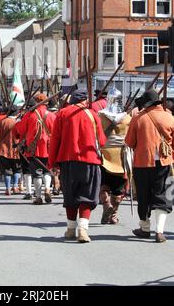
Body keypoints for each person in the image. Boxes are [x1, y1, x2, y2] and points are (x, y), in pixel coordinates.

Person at [49, 89, 107, 243]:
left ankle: (70, 229)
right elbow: (101, 141)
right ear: (85, 101)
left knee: (70, 195)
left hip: (68, 161)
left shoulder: (62, 113)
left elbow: (55, 140)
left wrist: (53, 163)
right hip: (90, 160)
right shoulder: (93, 115)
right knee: (87, 196)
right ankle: (83, 229)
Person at [125, 89, 174, 243]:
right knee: (163, 196)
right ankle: (159, 231)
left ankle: (145, 228)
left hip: (142, 163)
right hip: (164, 163)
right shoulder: (169, 117)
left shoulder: (138, 118)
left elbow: (129, 142)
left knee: (143, 196)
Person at [14, 93, 56, 204]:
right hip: (49, 148)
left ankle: (38, 197)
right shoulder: (52, 115)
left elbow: (21, 131)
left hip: (34, 148)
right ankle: (47, 188)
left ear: (36, 102)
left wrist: (18, 122)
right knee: (47, 171)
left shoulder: (29, 115)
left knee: (37, 174)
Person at [98, 88, 131, 224]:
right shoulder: (128, 118)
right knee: (118, 190)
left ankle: (107, 206)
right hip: (121, 156)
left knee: (103, 186)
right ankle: (113, 215)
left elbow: (96, 135)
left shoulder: (100, 116)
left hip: (104, 155)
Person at [0, 106, 21, 195]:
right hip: (16, 150)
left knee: (6, 171)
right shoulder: (18, 122)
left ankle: (8, 189)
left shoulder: (3, 122)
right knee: (17, 170)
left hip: (3, 150)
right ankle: (15, 186)